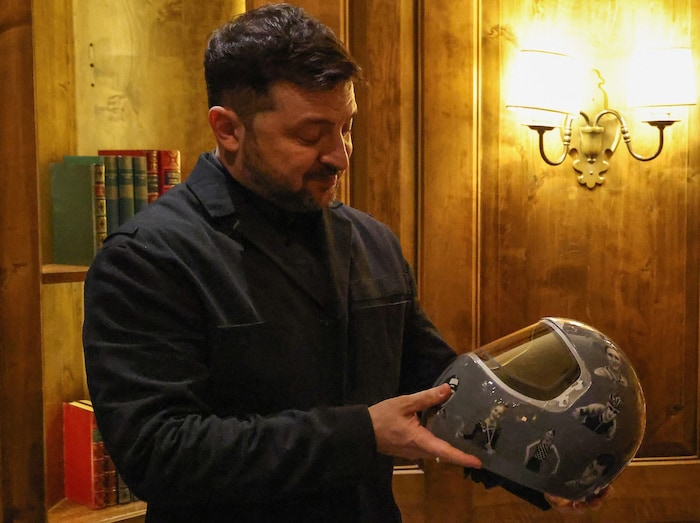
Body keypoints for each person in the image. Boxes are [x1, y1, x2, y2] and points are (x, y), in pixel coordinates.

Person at [82, 4, 608, 521]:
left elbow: (442, 392)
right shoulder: (145, 258)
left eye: (346, 127)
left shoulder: (371, 241)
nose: (340, 155)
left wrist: (543, 470)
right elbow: (158, 451)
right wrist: (361, 433)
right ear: (228, 129)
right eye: (310, 135)